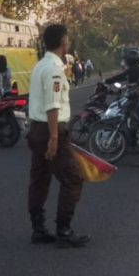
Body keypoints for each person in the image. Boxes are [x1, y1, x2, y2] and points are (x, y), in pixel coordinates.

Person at [27, 24, 90, 248]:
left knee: (40, 179)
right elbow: (52, 106)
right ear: (64, 41)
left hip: (36, 129)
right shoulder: (54, 69)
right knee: (73, 178)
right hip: (50, 130)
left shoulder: (39, 66)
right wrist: (54, 138)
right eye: (68, 39)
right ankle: (64, 230)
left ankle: (38, 229)